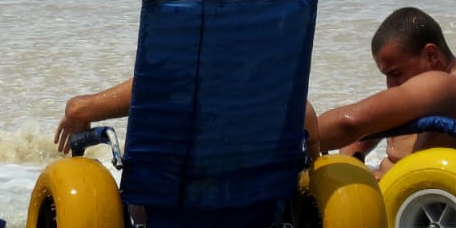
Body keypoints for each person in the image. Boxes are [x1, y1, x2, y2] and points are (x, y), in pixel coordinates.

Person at [314, 6, 456, 177]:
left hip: (413, 200)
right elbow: (373, 122)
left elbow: (350, 123)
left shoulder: (444, 86)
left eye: (396, 73)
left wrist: (292, 138)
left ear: (431, 55)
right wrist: (353, 158)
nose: (391, 85)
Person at [52, 78, 321, 155]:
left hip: (161, 217)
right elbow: (308, 123)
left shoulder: (166, 81)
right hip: (253, 217)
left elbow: (79, 110)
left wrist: (76, 118)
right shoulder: (272, 91)